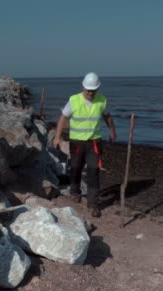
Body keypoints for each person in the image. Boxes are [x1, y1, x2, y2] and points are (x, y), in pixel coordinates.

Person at [53, 72, 116, 217]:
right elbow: (63, 118)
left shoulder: (102, 100)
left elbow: (107, 117)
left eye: (93, 90)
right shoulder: (74, 100)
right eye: (88, 90)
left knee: (94, 171)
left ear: (97, 89)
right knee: (75, 168)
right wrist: (57, 137)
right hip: (77, 142)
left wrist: (112, 131)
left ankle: (93, 204)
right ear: (83, 87)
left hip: (94, 142)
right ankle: (75, 191)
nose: (90, 93)